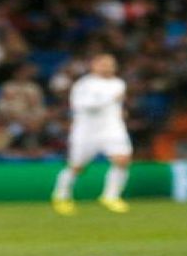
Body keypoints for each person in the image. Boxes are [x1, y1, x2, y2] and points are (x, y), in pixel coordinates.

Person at [51, 54, 133, 215]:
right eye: (103, 64)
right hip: (86, 131)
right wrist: (110, 99)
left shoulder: (119, 83)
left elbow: (115, 106)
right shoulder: (84, 85)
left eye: (111, 64)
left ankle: (111, 196)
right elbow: (82, 105)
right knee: (77, 166)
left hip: (112, 129)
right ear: (93, 66)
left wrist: (120, 112)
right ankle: (61, 196)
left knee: (122, 160)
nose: (108, 67)